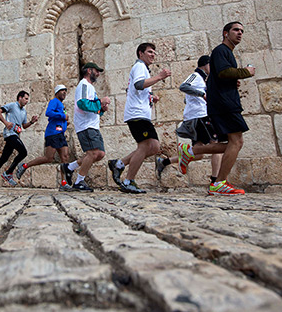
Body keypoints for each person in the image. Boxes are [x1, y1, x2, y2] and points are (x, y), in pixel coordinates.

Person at [181, 22, 254, 195]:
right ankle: (219, 183)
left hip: (222, 103)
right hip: (225, 104)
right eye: (236, 30)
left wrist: (232, 79)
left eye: (242, 31)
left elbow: (220, 75)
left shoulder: (227, 53)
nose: (240, 33)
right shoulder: (221, 50)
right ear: (225, 33)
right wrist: (245, 72)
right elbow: (222, 72)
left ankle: (190, 151)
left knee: (230, 144)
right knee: (237, 141)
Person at [108, 43, 171, 194]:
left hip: (142, 114)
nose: (153, 55)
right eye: (149, 52)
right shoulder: (139, 67)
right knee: (145, 146)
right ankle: (129, 181)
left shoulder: (144, 69)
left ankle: (119, 164)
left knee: (154, 147)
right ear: (140, 53)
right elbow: (138, 85)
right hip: (136, 115)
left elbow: (138, 89)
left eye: (154, 52)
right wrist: (159, 77)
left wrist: (150, 97)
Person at [155, 56, 225, 189]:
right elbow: (184, 86)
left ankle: (164, 162)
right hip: (199, 116)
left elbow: (187, 99)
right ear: (206, 64)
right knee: (216, 145)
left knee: (198, 153)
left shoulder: (203, 80)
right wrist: (202, 94)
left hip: (197, 115)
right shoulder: (195, 75)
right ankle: (216, 181)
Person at [64, 62, 111, 192]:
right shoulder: (84, 85)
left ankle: (69, 167)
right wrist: (100, 102)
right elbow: (82, 103)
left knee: (100, 154)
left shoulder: (90, 87)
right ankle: (79, 181)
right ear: (89, 70)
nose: (98, 73)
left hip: (92, 126)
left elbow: (92, 107)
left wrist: (101, 108)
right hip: (86, 126)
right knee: (93, 153)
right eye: (96, 71)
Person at [15, 85, 73, 190]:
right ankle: (24, 166)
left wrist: (65, 123)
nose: (64, 92)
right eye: (62, 91)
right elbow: (49, 113)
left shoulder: (61, 105)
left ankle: (63, 183)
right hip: (52, 134)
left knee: (65, 157)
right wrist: (63, 116)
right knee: (48, 158)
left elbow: (58, 119)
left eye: (66, 91)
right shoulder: (54, 101)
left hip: (60, 134)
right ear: (57, 92)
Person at [0, 91, 38, 188]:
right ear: (20, 98)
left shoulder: (24, 111)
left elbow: (24, 126)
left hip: (16, 134)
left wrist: (31, 122)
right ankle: (8, 173)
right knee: (23, 152)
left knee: (4, 158)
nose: (27, 101)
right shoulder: (12, 105)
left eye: (28, 99)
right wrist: (6, 123)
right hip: (10, 134)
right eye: (25, 98)